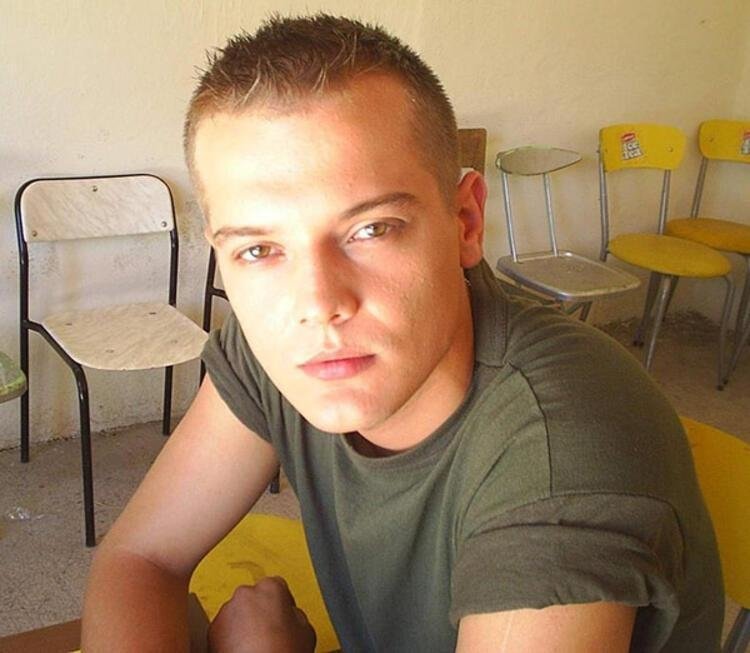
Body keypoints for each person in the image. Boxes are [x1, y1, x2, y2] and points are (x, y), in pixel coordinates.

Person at [82, 13, 724, 653]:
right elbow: (141, 556)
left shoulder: (564, 458)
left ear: (466, 222)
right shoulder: (275, 344)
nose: (318, 306)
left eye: (371, 229)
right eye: (258, 249)